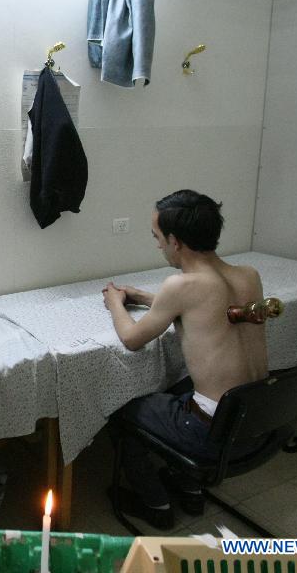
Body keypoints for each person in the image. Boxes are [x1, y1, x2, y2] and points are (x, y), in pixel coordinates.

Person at [102, 189, 268, 529]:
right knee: (180, 386)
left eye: (157, 237)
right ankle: (188, 486)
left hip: (211, 436)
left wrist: (116, 304)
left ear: (175, 241)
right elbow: (206, 308)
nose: (157, 245)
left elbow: (132, 339)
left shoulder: (181, 286)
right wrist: (148, 298)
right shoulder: (249, 275)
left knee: (120, 406)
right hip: (258, 422)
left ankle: (157, 503)